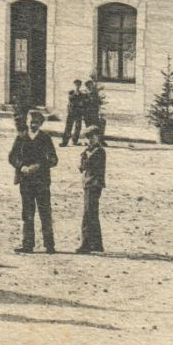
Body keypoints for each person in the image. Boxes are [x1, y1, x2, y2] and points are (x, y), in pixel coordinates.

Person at [8, 108, 58, 254]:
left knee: (45, 212)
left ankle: (49, 245)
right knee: (27, 212)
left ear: (41, 124)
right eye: (31, 122)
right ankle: (28, 244)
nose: (33, 125)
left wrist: (39, 165)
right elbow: (12, 157)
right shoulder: (21, 137)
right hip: (26, 181)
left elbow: (54, 160)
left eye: (36, 123)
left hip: (42, 181)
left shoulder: (46, 139)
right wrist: (21, 166)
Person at [76, 125, 106, 253]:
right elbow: (81, 168)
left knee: (88, 214)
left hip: (94, 185)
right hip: (89, 184)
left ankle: (86, 244)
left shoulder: (99, 151)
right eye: (88, 138)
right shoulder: (90, 151)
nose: (90, 140)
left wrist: (85, 156)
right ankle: (96, 244)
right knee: (92, 214)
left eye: (93, 137)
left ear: (98, 137)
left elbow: (88, 164)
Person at [61, 80, 85, 147]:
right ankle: (65, 141)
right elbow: (71, 99)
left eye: (78, 85)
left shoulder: (82, 94)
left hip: (78, 112)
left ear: (80, 86)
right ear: (74, 85)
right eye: (76, 85)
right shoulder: (71, 92)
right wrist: (75, 93)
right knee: (68, 126)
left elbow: (82, 102)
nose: (77, 86)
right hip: (71, 112)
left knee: (78, 127)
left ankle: (75, 140)